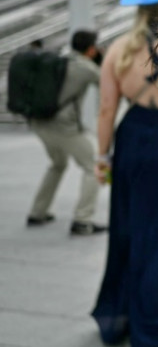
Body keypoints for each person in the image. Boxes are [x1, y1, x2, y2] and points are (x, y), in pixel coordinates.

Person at [91, 0, 158, 346]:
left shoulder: (118, 49)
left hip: (131, 139)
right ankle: (148, 322)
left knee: (129, 232)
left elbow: (105, 110)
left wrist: (102, 159)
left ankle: (132, 312)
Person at [26, 29, 107, 235]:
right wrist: (103, 59)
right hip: (63, 127)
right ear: (91, 49)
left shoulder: (59, 59)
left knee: (57, 164)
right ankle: (82, 220)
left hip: (39, 122)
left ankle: (37, 212)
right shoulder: (86, 67)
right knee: (94, 167)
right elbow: (108, 84)